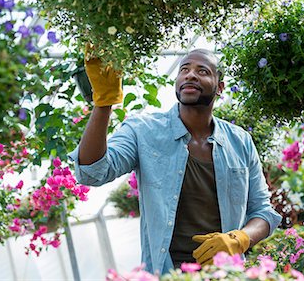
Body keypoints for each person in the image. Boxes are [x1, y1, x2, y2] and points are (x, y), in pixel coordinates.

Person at [68, 48, 282, 274]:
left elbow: (263, 211)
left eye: (202, 71)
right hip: (167, 274)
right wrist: (103, 104)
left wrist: (239, 238)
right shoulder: (143, 131)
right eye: (184, 70)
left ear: (219, 88)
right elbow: (92, 172)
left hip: (226, 274)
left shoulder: (240, 141)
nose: (190, 75)